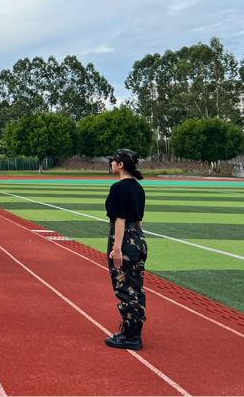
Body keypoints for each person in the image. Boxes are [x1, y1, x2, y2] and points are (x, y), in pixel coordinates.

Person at [104, 149, 148, 351]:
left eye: (113, 161)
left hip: (125, 240)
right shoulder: (138, 188)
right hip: (139, 239)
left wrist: (117, 249)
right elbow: (139, 221)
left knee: (125, 288)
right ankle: (134, 331)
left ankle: (131, 336)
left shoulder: (118, 188)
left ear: (120, 164)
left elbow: (120, 220)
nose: (111, 164)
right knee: (137, 287)